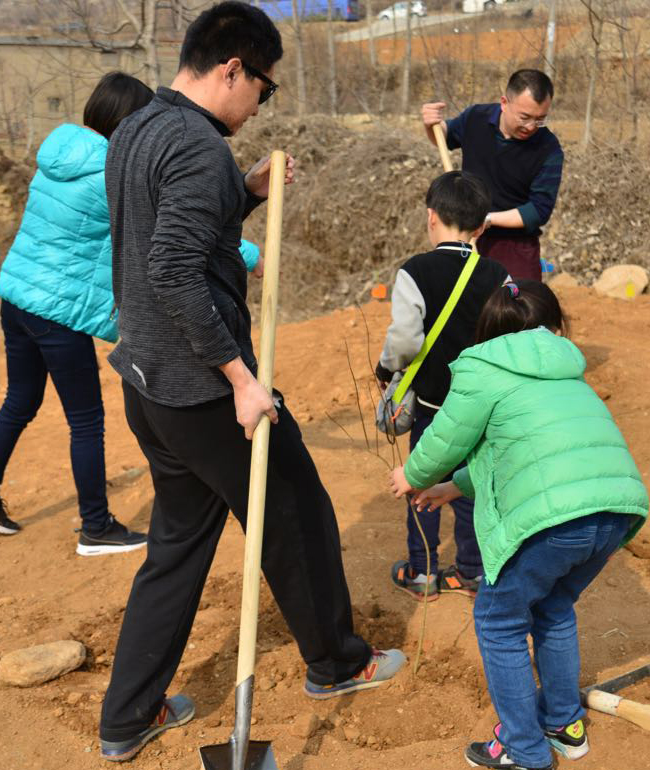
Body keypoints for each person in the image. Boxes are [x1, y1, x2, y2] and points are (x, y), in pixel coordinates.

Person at [97, 3, 404, 762]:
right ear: (233, 68)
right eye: (264, 90)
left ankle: (126, 718)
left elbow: (170, 225)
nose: (262, 103)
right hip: (204, 389)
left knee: (176, 544)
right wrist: (239, 377)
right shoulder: (198, 148)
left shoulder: (137, 126)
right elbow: (172, 266)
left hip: (148, 381)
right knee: (295, 515)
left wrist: (251, 191)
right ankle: (337, 662)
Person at [390, 281, 649, 770]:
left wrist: (413, 475)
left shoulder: (482, 367)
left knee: (498, 621)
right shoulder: (567, 370)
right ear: (554, 328)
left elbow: (444, 440)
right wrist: (455, 487)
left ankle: (525, 750)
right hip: (614, 508)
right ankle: (564, 725)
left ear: (487, 331)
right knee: (553, 606)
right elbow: (525, 452)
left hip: (553, 520)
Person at [0, 72, 154, 556]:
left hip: (17, 299)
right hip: (58, 313)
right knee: (86, 421)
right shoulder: (112, 172)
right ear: (127, 122)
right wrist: (246, 255)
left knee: (19, 401)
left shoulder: (58, 157)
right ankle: (96, 527)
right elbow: (166, 225)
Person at [375, 170, 508, 601]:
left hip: (433, 405)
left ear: (431, 217)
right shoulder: (498, 275)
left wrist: (386, 368)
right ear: (482, 226)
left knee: (421, 482)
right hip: (480, 407)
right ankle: (470, 571)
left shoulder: (416, 271)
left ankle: (423, 571)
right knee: (470, 485)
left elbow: (406, 339)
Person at [420, 70, 565, 282]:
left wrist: (485, 219)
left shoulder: (548, 149)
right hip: (465, 238)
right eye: (524, 117)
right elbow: (444, 136)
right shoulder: (476, 118)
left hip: (515, 248)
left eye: (540, 119)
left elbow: (538, 210)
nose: (531, 127)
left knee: (517, 308)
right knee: (462, 306)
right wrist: (430, 123)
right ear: (504, 103)